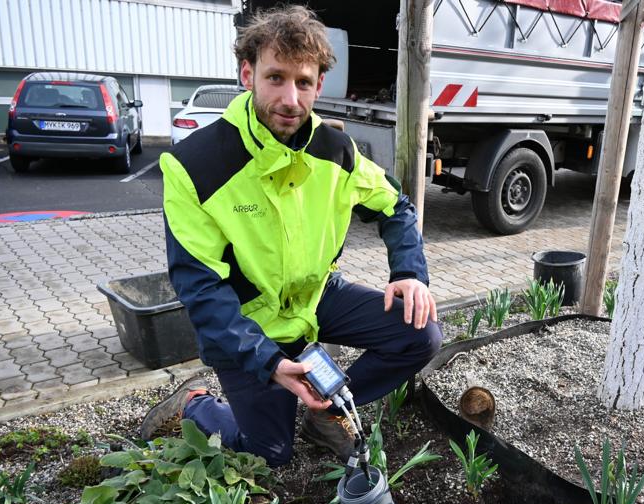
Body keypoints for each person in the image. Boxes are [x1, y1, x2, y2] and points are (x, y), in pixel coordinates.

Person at [140, 5, 442, 467]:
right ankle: (194, 404)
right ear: (247, 74)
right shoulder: (195, 166)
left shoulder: (336, 151)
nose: (290, 99)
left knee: (419, 334)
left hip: (313, 299)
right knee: (270, 455)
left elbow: (395, 205)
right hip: (246, 323)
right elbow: (200, 288)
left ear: (319, 85)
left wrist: (409, 272)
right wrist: (270, 362)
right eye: (275, 78)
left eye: (303, 82)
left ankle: (327, 415)